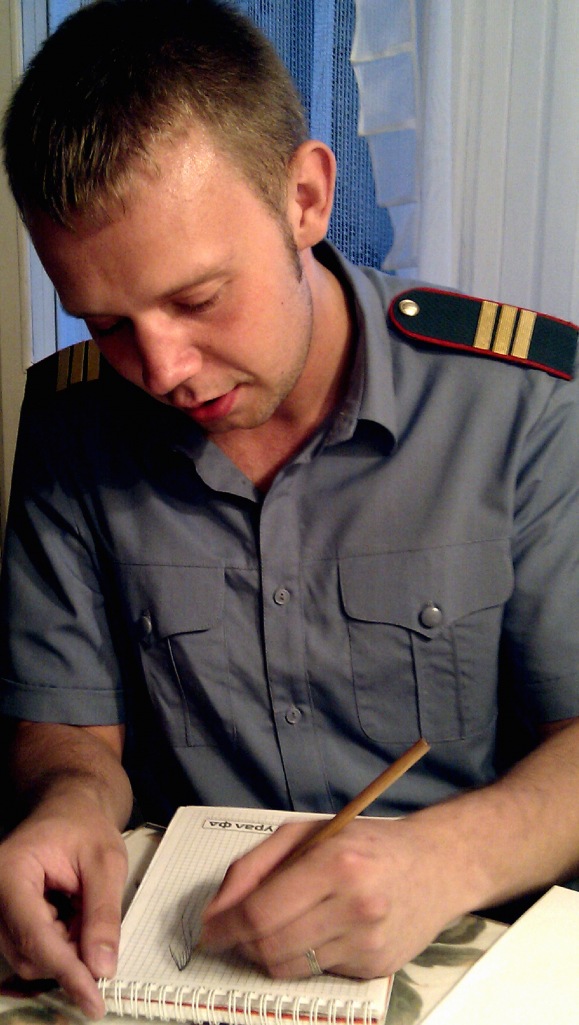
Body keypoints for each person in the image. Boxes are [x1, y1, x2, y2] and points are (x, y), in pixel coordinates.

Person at [1, 0, 578, 1018]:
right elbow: (70, 726)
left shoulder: (516, 405)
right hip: (173, 959)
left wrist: (447, 857)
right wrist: (71, 801)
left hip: (463, 951)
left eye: (198, 298)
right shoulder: (72, 425)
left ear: (306, 197)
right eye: (107, 323)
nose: (162, 370)